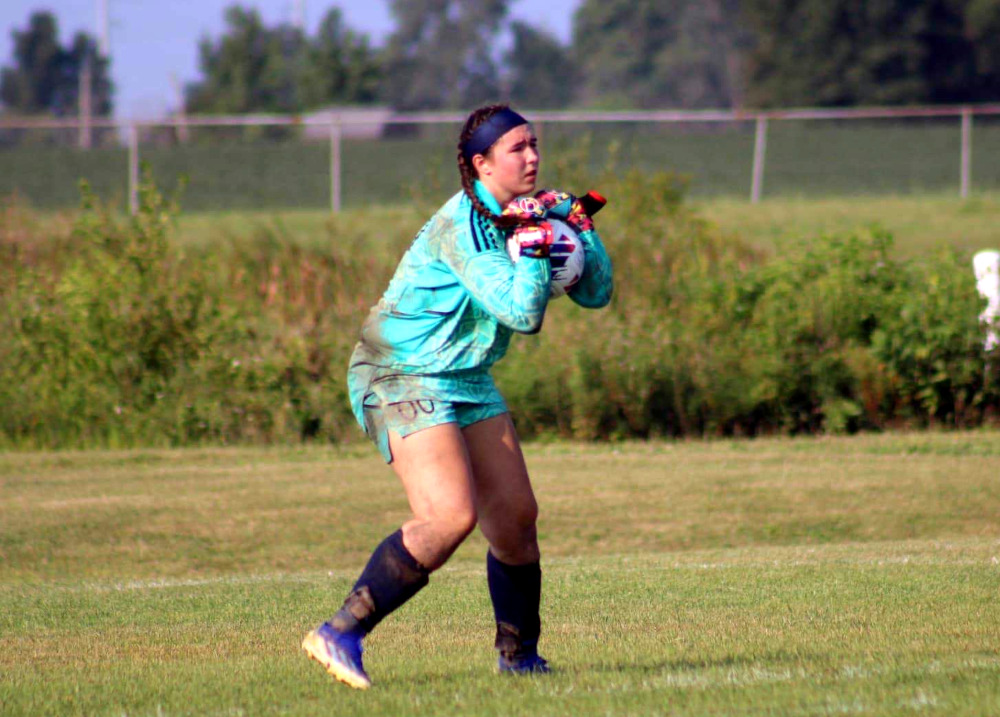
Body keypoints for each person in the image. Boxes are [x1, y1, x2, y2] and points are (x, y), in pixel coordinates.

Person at [301, 104, 614, 689]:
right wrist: (537, 246)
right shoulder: (462, 228)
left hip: (464, 376)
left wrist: (581, 236)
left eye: (535, 145)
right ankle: (340, 631)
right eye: (518, 149)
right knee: (449, 517)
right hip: (398, 372)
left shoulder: (526, 214)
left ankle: (520, 658)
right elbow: (524, 313)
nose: (534, 157)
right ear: (480, 165)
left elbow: (598, 294)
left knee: (517, 521)